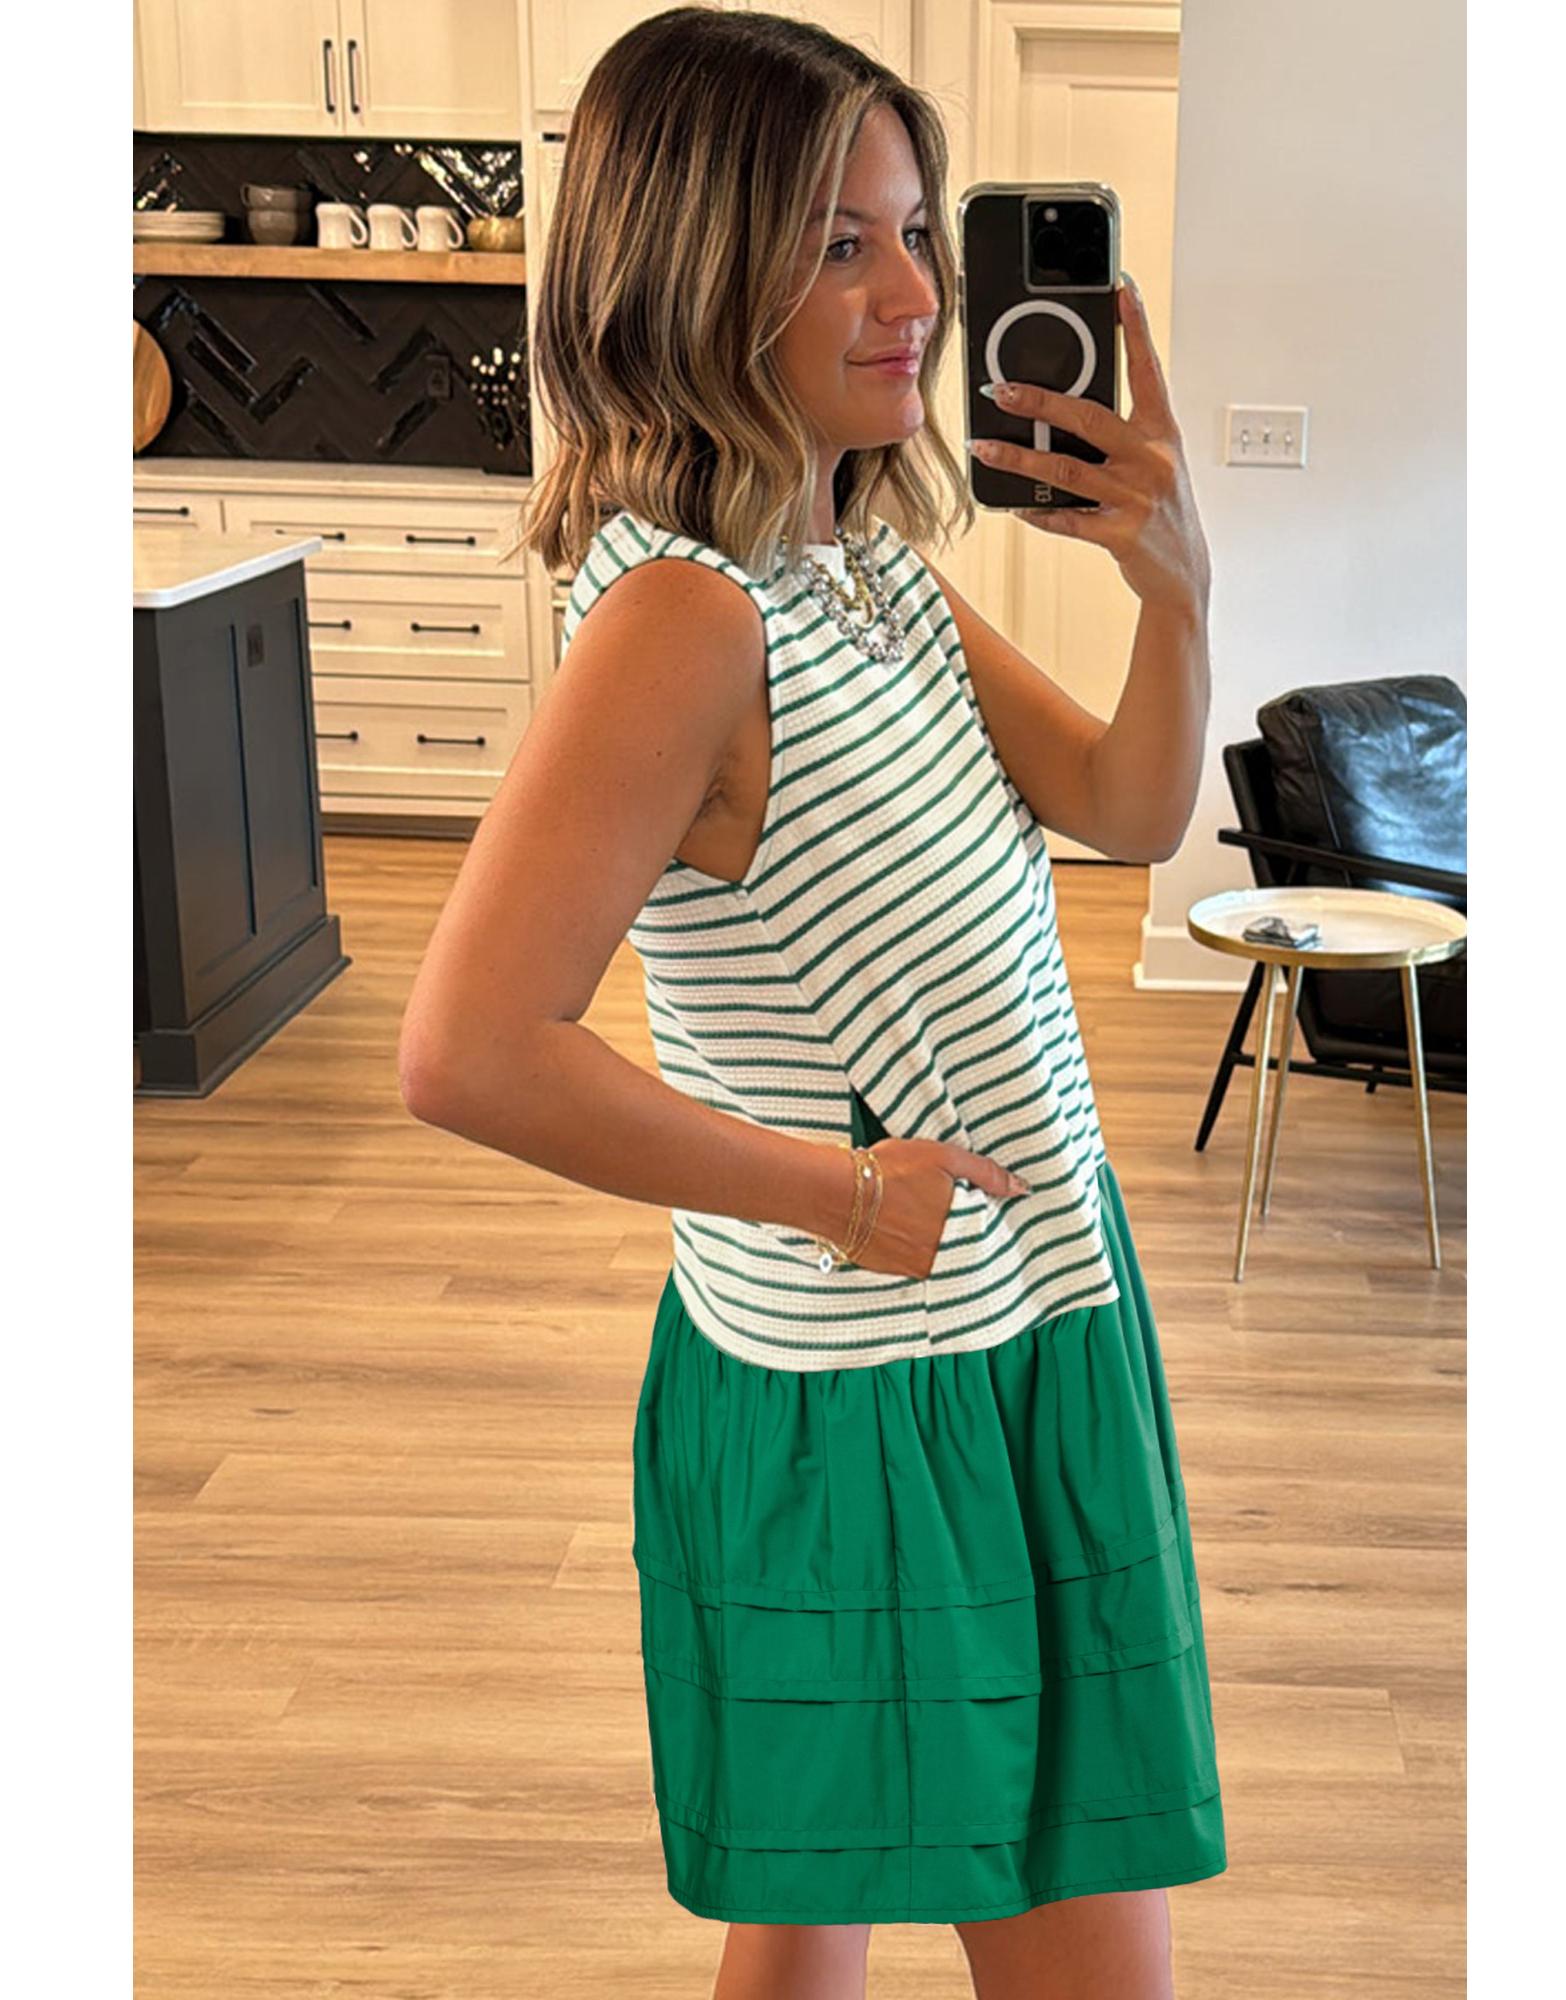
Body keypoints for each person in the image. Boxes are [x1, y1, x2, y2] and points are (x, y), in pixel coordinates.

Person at [397, 8, 1220, 1996]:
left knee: (808, 1915)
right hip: (883, 1390)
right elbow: (468, 1050)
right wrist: (837, 1193)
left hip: (1020, 1318)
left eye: (917, 231)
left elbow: (1125, 809)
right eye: (840, 245)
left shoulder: (866, 572)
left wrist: (1178, 586)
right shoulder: (686, 618)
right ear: (691, 273)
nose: (918, 296)